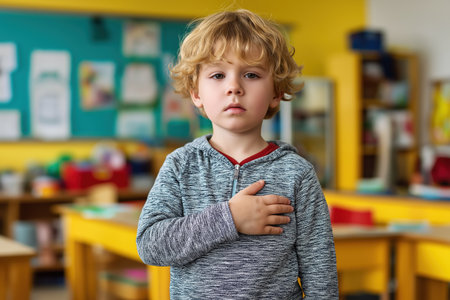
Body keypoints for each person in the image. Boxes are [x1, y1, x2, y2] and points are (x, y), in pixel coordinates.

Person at [136, 9, 338, 299]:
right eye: (218, 75)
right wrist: (229, 218)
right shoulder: (180, 166)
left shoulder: (297, 173)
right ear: (196, 93)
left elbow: (320, 271)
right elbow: (150, 246)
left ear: (276, 93)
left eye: (251, 74)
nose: (234, 87)